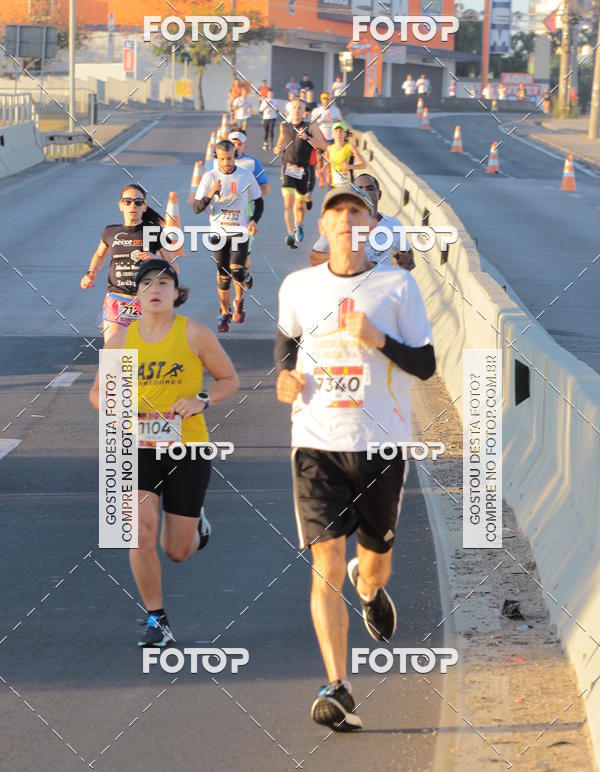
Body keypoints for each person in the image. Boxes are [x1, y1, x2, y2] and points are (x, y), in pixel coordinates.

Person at [275, 184, 436, 730]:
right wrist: (284, 377)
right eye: (336, 213)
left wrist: (377, 340)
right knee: (324, 565)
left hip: (381, 445)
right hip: (316, 441)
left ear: (372, 227)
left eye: (356, 213)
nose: (346, 221)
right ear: (322, 226)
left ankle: (369, 587)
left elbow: (427, 365)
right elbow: (286, 340)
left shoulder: (396, 285)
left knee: (373, 560)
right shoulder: (298, 286)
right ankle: (338, 685)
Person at [89, 258, 239, 648]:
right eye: (147, 284)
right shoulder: (121, 340)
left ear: (177, 293)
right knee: (138, 533)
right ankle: (157, 618)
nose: (155, 289)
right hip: (132, 444)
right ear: (137, 295)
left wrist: (201, 399)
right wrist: (114, 407)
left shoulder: (196, 335)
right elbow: (96, 393)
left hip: (185, 445)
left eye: (164, 282)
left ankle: (196, 530)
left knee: (176, 551)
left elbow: (229, 380)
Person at [81, 183, 178, 344]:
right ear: (120, 205)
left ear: (144, 207)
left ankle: (132, 369)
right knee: (114, 353)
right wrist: (90, 274)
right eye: (127, 201)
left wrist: (156, 260)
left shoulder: (153, 232)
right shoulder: (110, 231)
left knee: (141, 355)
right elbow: (99, 255)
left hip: (145, 302)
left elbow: (174, 268)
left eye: (138, 202)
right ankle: (120, 369)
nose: (133, 205)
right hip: (116, 299)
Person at [194, 139, 264, 332]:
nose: (227, 163)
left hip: (240, 232)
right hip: (218, 234)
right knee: (223, 277)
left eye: (230, 158)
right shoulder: (210, 177)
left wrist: (253, 220)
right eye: (223, 159)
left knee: (237, 270)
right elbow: (197, 208)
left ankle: (238, 301)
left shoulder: (245, 175)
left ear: (235, 156)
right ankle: (224, 314)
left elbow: (259, 202)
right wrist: (211, 193)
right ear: (217, 158)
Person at [310, 173, 415, 271]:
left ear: (379, 194)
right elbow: (314, 258)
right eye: (359, 189)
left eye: (370, 188)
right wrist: (343, 257)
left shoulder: (393, 224)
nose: (365, 192)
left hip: (380, 287)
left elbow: (410, 262)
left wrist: (406, 261)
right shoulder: (343, 223)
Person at [274, 97, 328, 248]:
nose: (297, 110)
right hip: (287, 167)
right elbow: (279, 143)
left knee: (299, 205)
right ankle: (290, 233)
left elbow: (323, 145)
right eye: (294, 107)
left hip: (303, 170)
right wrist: (277, 149)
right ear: (289, 110)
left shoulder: (310, 126)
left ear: (304, 111)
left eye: (300, 108)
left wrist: (308, 138)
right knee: (288, 202)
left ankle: (300, 224)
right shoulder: (283, 125)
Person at [223, 130, 270, 289]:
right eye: (232, 143)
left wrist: (251, 191)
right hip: (222, 217)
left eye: (239, 143)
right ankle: (225, 308)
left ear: (244, 145)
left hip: (245, 216)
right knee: (226, 258)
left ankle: (239, 299)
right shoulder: (216, 162)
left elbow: (266, 188)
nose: (236, 147)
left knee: (242, 256)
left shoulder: (252, 163)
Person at [311, 91, 342, 185]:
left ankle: (328, 174)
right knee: (319, 159)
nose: (326, 101)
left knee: (329, 158)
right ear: (321, 100)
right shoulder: (316, 110)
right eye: (324, 99)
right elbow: (311, 123)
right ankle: (321, 177)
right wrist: (317, 119)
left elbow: (340, 122)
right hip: (320, 138)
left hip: (331, 137)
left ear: (330, 100)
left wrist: (337, 121)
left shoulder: (335, 110)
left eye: (327, 99)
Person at [324, 121, 366, 186]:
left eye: (341, 131)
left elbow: (364, 165)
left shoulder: (350, 147)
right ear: (332, 134)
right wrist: (323, 172)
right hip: (334, 184)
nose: (338, 133)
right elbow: (328, 163)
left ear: (345, 133)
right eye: (336, 131)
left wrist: (349, 166)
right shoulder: (329, 148)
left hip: (347, 185)